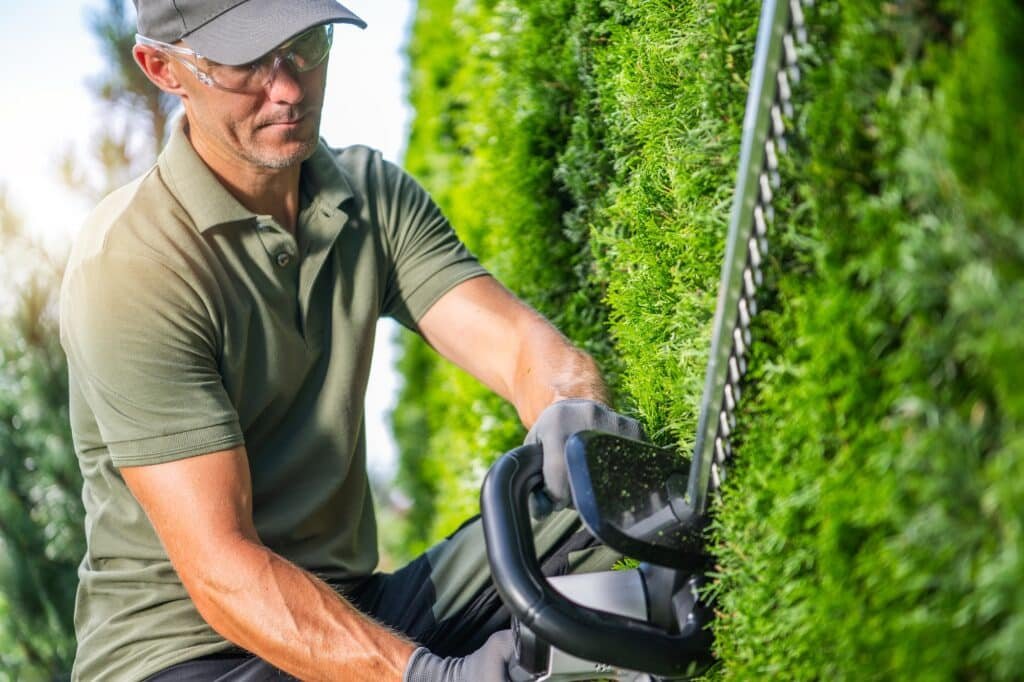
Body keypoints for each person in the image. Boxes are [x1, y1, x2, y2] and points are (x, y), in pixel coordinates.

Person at [59, 1, 643, 680]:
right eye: (248, 62)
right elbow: (222, 573)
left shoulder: (368, 194)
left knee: (594, 500)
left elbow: (521, 350)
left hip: (355, 607)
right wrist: (425, 676)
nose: (288, 86)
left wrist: (568, 416)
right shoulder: (132, 266)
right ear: (165, 69)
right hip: (193, 656)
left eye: (305, 43)